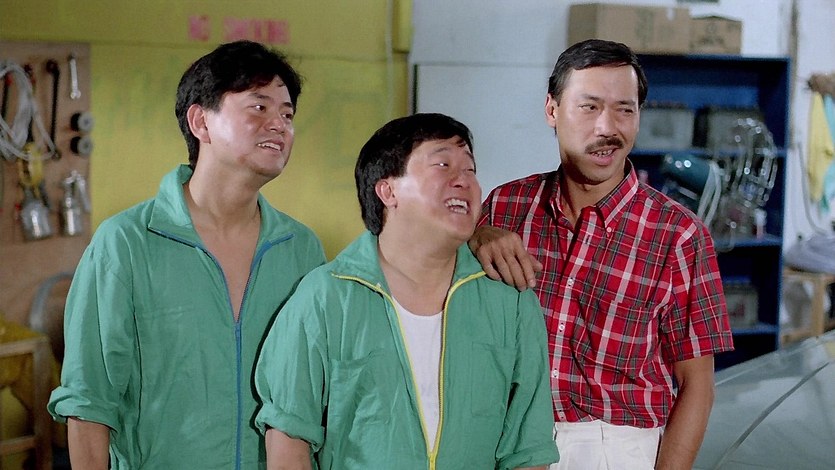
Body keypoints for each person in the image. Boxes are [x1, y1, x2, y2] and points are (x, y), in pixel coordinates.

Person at [47, 40, 326, 468]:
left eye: (287, 115)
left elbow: (313, 396)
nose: (279, 125)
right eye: (259, 107)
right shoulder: (127, 243)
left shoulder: (301, 249)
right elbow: (88, 402)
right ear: (201, 122)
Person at [469, 39, 734, 470]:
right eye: (589, 107)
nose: (607, 127)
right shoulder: (506, 207)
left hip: (614, 448)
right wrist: (474, 237)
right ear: (552, 110)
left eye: (624, 110)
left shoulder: (679, 235)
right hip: (504, 438)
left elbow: (697, 386)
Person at [254, 113, 559, 469]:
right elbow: (289, 438)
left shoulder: (509, 299)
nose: (464, 180)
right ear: (388, 191)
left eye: (470, 169)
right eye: (443, 164)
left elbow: (528, 447)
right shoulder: (325, 297)